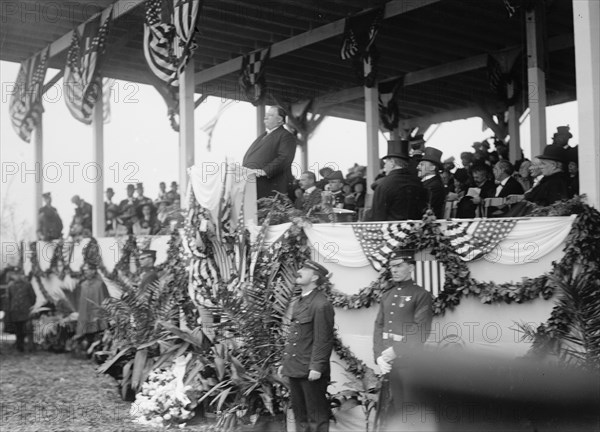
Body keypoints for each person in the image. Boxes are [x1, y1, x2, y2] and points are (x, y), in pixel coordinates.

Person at [373, 251, 432, 424]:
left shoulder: (421, 295)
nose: (394, 270)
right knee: (394, 410)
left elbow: (421, 329)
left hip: (409, 362)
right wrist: (378, 356)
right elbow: (379, 326)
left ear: (411, 267)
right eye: (392, 266)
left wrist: (396, 350)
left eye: (399, 266)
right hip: (388, 362)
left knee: (410, 409)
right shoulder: (387, 294)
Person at [279, 260, 335, 432]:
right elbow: (296, 336)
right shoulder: (300, 302)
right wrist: (286, 363)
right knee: (301, 417)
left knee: (316, 419)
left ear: (315, 277)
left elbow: (323, 339)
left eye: (305, 269)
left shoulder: (321, 304)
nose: (299, 271)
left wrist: (317, 366)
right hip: (296, 368)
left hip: (311, 371)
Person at [242, 106, 297, 200]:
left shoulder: (286, 136)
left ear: (280, 120)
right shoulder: (263, 136)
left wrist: (265, 171)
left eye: (270, 115)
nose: (265, 117)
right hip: (253, 182)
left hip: (271, 186)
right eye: (266, 115)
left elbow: (285, 158)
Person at [367, 140, 427, 221]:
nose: (385, 166)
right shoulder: (418, 182)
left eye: (386, 162)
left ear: (392, 163)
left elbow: (377, 217)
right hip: (416, 230)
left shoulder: (383, 185)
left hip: (391, 231)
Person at [4, 266, 36, 352]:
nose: (18, 276)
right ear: (14, 276)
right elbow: (9, 298)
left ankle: (30, 347)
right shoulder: (10, 286)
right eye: (16, 275)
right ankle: (19, 346)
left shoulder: (27, 284)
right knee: (18, 330)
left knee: (27, 329)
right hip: (15, 311)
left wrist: (30, 306)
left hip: (25, 311)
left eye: (20, 274)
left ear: (22, 275)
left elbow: (33, 297)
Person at [75, 262, 109, 343]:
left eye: (87, 270)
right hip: (86, 316)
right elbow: (81, 304)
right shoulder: (83, 285)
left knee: (98, 337)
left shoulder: (100, 284)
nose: (85, 272)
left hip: (96, 316)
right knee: (88, 338)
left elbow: (105, 301)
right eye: (84, 270)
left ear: (93, 271)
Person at [416, 147, 446, 219]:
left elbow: (427, 209)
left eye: (422, 165)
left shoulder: (435, 186)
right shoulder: (425, 183)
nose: (417, 167)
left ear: (432, 168)